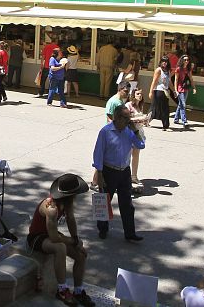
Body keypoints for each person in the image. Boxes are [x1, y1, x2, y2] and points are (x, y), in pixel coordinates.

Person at [25, 173, 92, 306]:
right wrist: (73, 242)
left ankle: (78, 291)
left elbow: (70, 219)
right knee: (60, 247)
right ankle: (62, 290)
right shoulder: (51, 209)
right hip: (37, 238)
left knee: (81, 255)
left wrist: (76, 240)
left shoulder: (67, 203)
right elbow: (55, 238)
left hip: (50, 235)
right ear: (69, 195)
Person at [93, 104, 145, 242]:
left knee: (127, 204)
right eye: (126, 118)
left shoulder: (129, 131)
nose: (128, 121)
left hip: (124, 172)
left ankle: (130, 232)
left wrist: (135, 131)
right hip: (109, 171)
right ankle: (102, 229)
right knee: (104, 202)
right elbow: (98, 153)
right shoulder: (105, 132)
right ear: (117, 117)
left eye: (129, 118)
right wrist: (99, 174)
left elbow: (141, 145)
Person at [126, 88, 148, 189]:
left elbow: (140, 120)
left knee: (136, 155)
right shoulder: (129, 105)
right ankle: (125, 176)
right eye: (138, 94)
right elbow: (126, 119)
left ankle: (134, 176)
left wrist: (144, 121)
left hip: (139, 132)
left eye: (141, 94)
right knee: (127, 155)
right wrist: (138, 119)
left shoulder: (140, 106)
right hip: (130, 133)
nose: (140, 95)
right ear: (133, 95)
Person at [148, 56, 175, 130]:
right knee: (155, 107)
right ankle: (147, 120)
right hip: (158, 90)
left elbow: (169, 82)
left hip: (165, 91)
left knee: (165, 108)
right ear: (160, 62)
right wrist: (151, 92)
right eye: (163, 61)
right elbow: (154, 81)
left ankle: (165, 125)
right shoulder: (158, 70)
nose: (164, 63)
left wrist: (174, 91)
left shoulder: (168, 71)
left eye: (166, 61)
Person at [174, 54, 196, 128]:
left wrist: (194, 88)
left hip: (186, 88)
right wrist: (175, 90)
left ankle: (176, 119)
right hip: (180, 88)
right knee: (183, 104)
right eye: (185, 60)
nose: (186, 61)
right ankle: (184, 121)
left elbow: (191, 79)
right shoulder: (178, 69)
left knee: (181, 104)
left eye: (187, 60)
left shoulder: (188, 69)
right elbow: (176, 80)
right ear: (182, 60)